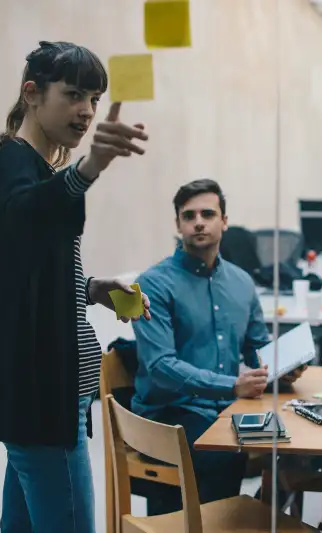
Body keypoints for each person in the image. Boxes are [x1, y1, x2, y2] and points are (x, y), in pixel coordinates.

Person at [0, 41, 150, 533]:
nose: (86, 111)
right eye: (73, 95)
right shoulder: (13, 166)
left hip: (44, 403)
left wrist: (90, 288)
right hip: (41, 403)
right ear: (32, 94)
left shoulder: (30, 170)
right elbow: (32, 213)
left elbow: (24, 265)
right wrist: (90, 167)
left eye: (94, 98)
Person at [131, 179, 306, 514]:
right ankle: (218, 520)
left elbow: (257, 347)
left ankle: (245, 518)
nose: (199, 222)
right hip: (169, 414)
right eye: (189, 215)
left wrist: (282, 366)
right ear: (178, 224)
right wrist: (232, 386)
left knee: (295, 445)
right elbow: (161, 367)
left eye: (208, 213)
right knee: (224, 451)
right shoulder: (153, 284)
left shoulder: (241, 282)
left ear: (224, 221)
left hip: (223, 410)